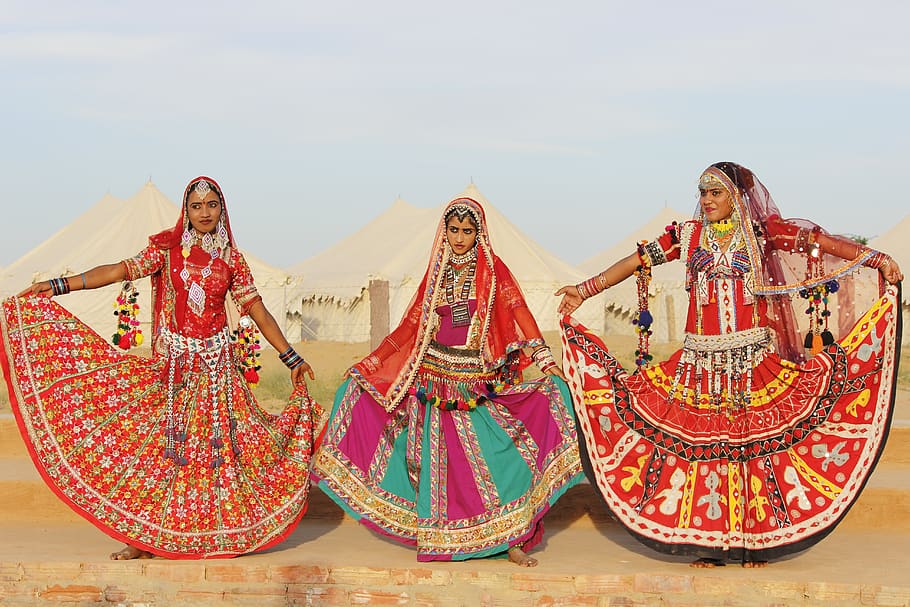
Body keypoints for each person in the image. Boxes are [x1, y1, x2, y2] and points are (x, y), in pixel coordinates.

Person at [556, 161, 903, 568]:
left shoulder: (761, 234)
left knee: (752, 453)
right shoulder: (687, 236)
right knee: (706, 456)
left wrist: (875, 257)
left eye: (715, 193)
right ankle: (711, 546)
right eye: (703, 193)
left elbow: (819, 242)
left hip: (752, 364)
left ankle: (755, 544)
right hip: (698, 367)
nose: (707, 200)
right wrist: (584, 289)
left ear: (736, 197)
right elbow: (636, 262)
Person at [0, 176, 325, 559]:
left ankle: (212, 531)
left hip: (217, 375)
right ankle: (143, 539)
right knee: (160, 452)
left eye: (212, 205)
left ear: (222, 209)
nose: (205, 212)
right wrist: (58, 285)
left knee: (216, 455)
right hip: (172, 373)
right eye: (196, 206)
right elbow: (118, 271)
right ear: (185, 212)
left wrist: (290, 356)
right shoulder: (167, 251)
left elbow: (258, 311)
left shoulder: (231, 260)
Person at [311, 196, 584, 567]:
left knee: (493, 457)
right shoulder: (437, 271)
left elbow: (518, 310)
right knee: (438, 466)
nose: (459, 238)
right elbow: (410, 325)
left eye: (467, 231)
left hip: (473, 379)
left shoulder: (493, 269)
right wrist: (370, 362)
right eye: (453, 230)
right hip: (432, 379)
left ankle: (512, 538)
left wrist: (544, 359)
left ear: (479, 233)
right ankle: (442, 537)